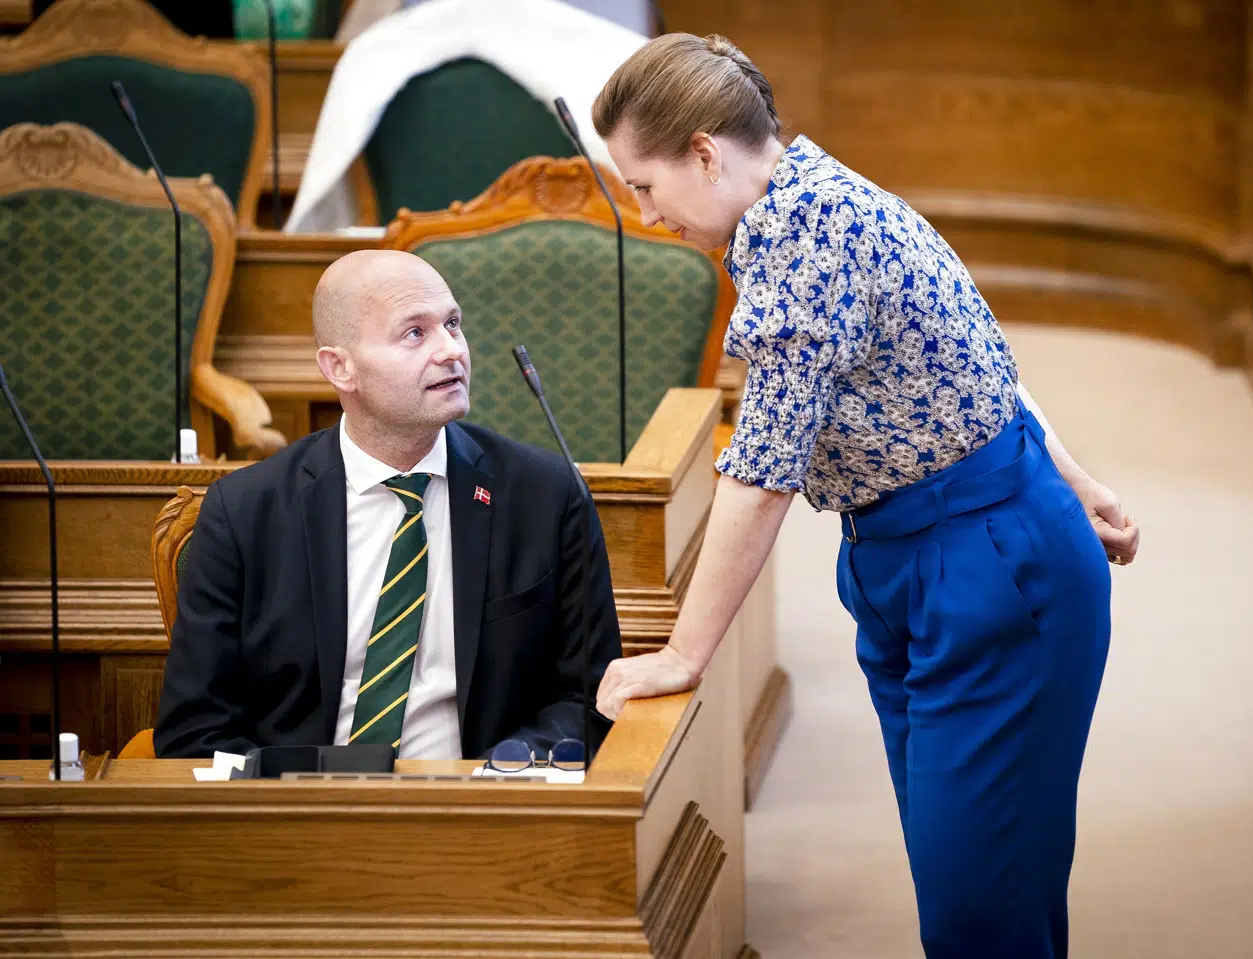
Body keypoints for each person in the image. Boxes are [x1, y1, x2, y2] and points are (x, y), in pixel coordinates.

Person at [588, 33, 1140, 959]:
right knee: (982, 892)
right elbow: (960, 353)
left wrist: (684, 652)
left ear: (704, 154)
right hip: (918, 558)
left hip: (990, 572)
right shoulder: (804, 192)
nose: (644, 214)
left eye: (644, 186)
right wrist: (1074, 477)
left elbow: (761, 474)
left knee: (979, 913)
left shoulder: (805, 235)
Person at [154, 250, 621, 762]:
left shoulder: (544, 494)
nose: (452, 351)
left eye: (453, 324)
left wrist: (497, 775)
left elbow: (586, 696)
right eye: (415, 333)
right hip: (303, 799)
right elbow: (194, 729)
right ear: (340, 368)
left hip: (479, 796)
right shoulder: (245, 512)